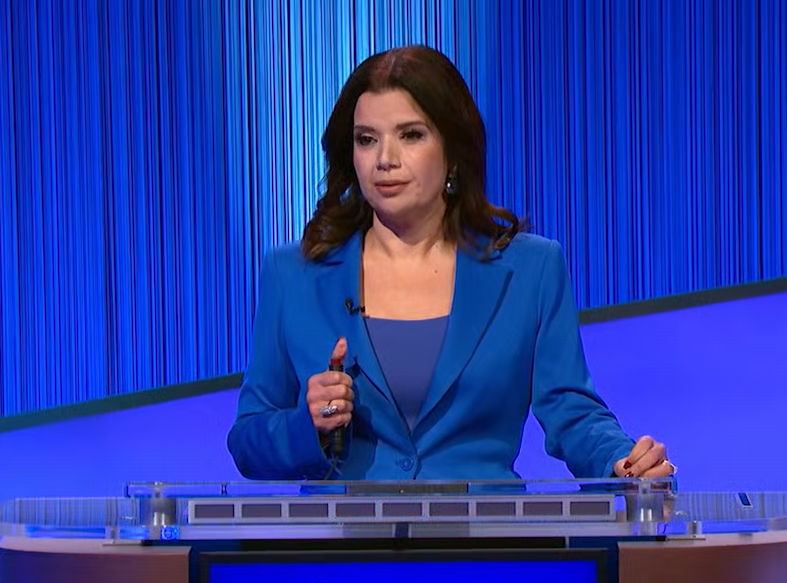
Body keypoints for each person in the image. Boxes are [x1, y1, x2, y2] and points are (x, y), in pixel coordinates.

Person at [226, 44, 674, 482]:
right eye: (367, 139)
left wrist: (623, 462)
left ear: (453, 150)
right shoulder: (293, 274)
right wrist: (308, 425)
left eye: (410, 135)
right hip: (347, 532)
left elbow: (572, 413)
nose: (385, 159)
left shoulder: (532, 270)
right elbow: (248, 440)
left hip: (482, 530)